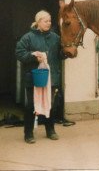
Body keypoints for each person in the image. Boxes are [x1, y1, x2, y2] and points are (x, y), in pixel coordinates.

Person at [15, 10, 73, 144]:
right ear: (38, 22)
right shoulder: (28, 37)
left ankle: (50, 130)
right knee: (31, 106)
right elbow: (19, 53)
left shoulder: (55, 38)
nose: (49, 23)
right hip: (33, 77)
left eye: (50, 21)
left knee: (50, 104)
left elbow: (59, 55)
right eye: (46, 21)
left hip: (51, 78)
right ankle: (28, 133)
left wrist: (66, 53)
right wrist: (33, 56)